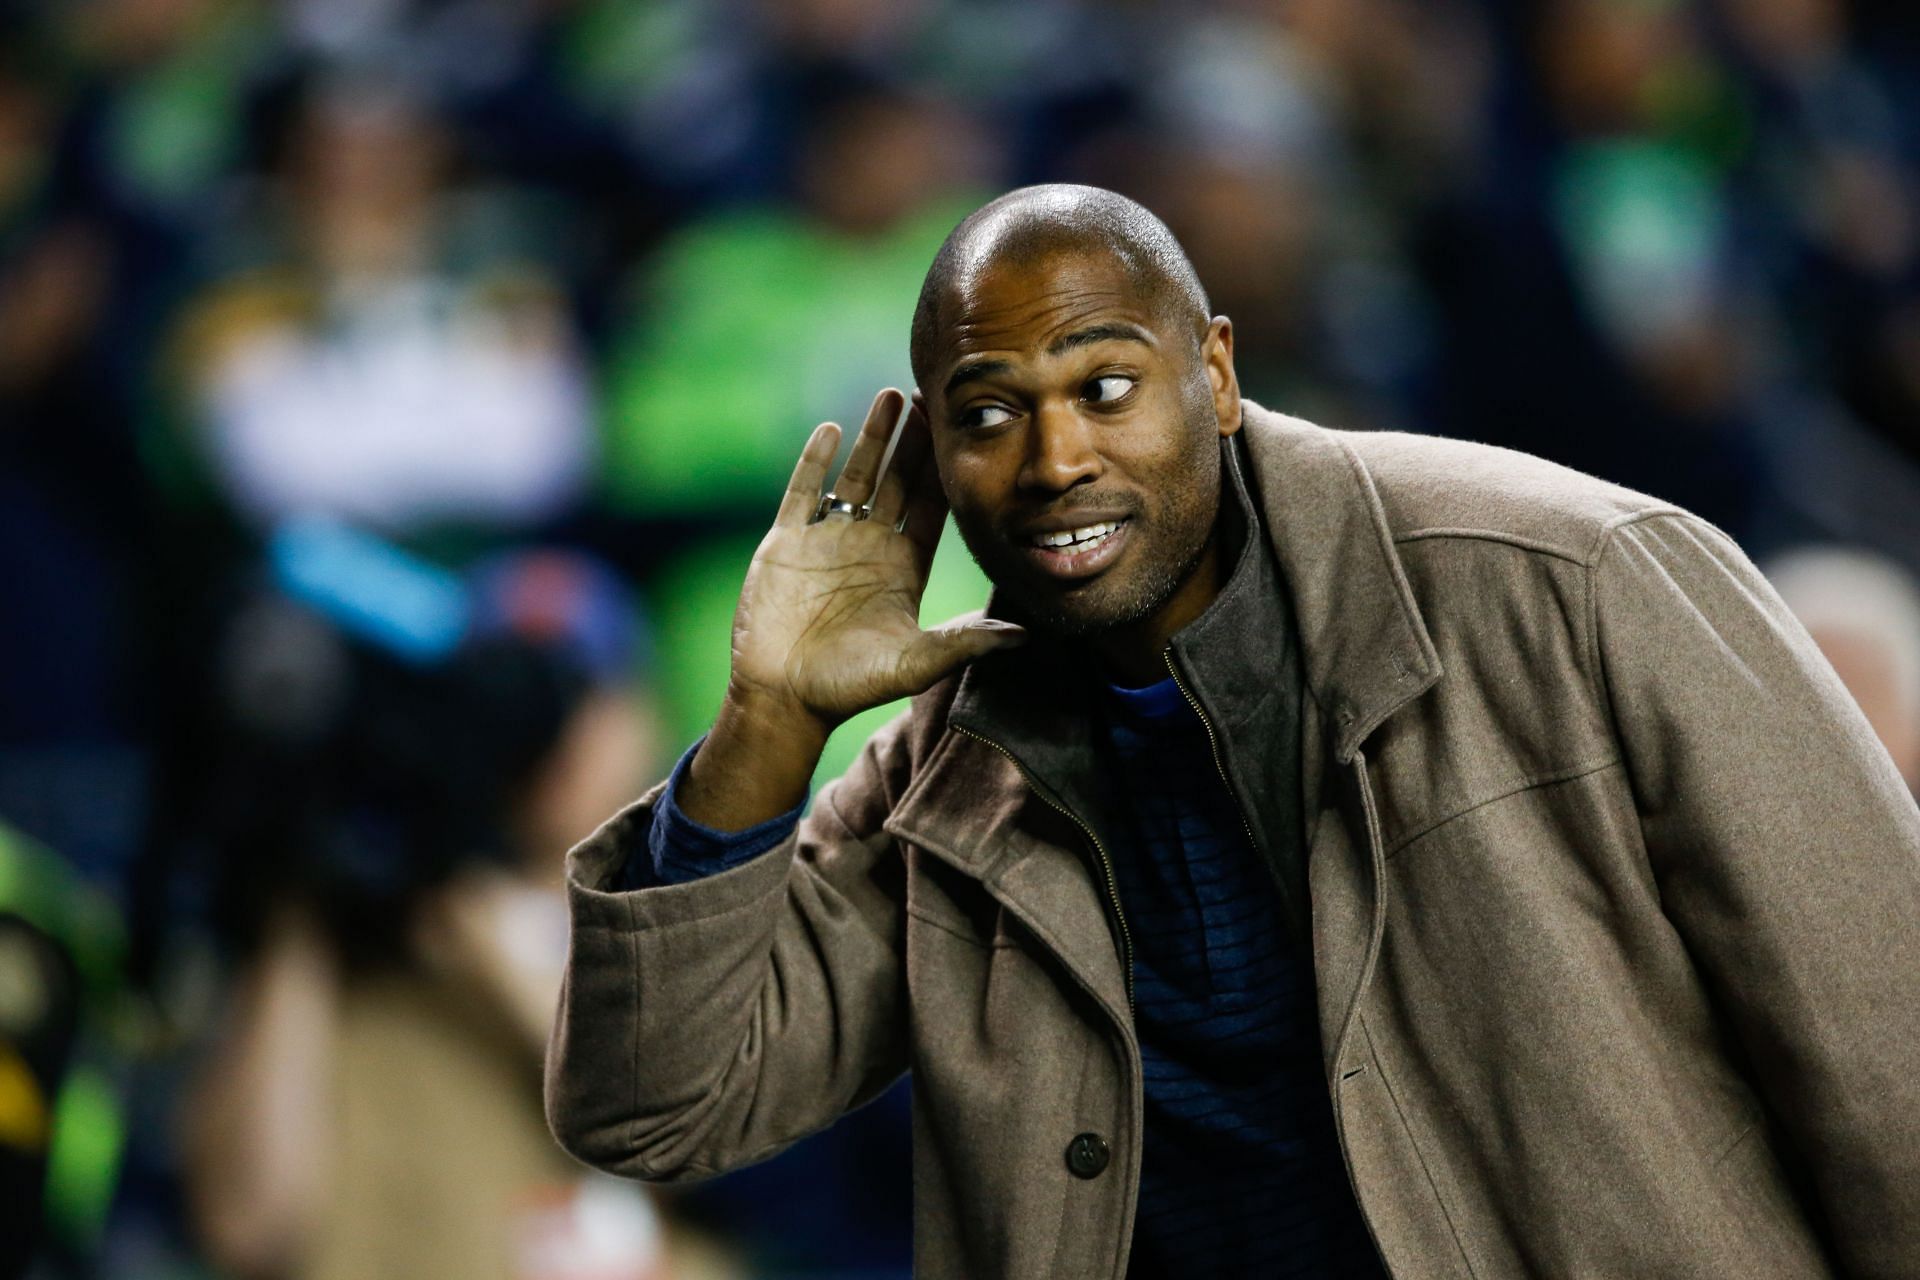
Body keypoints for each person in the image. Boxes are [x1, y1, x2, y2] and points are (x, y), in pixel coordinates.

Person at [546, 185, 1920, 1279]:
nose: (1054, 460)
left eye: (1102, 386)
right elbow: (657, 1106)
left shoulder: (1575, 579)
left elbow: (1888, 1069)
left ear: (1213, 368)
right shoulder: (950, 767)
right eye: (988, 415)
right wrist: (771, 725)